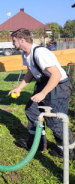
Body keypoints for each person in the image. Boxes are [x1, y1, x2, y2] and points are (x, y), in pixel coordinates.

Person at [8, 28, 74, 159]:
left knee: (56, 121)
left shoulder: (40, 53)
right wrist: (19, 88)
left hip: (58, 86)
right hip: (45, 84)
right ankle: (37, 143)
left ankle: (69, 151)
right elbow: (31, 72)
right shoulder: (25, 54)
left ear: (22, 40)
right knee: (32, 111)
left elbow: (56, 74)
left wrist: (43, 93)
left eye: (14, 41)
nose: (12, 43)